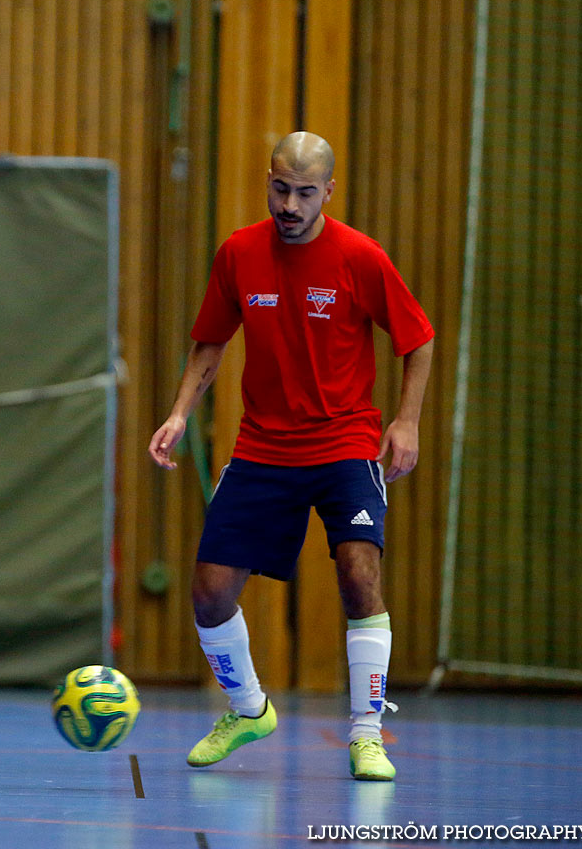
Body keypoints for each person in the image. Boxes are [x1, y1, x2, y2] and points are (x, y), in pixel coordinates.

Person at [148, 131, 434, 782]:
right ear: (268, 182)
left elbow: (418, 340)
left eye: (305, 193)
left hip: (346, 443)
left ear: (328, 192)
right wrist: (178, 414)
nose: (290, 204)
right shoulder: (239, 254)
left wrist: (407, 421)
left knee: (360, 577)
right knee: (210, 592)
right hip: (264, 446)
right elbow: (210, 343)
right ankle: (248, 709)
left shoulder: (360, 257)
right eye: (281, 189)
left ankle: (366, 733)